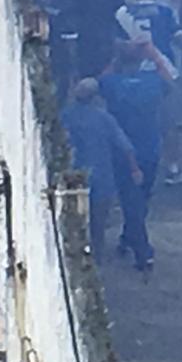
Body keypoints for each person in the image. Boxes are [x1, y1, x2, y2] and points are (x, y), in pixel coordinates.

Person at [101, 39, 176, 272]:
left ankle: (134, 241)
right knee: (141, 197)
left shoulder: (113, 84)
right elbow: (170, 81)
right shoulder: (152, 83)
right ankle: (138, 245)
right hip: (150, 149)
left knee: (130, 198)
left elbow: (99, 80)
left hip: (122, 151)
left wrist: (118, 57)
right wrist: (153, 55)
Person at [62, 77, 142, 256]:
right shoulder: (104, 119)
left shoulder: (66, 115)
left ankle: (76, 256)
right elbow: (125, 146)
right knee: (98, 224)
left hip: (73, 176)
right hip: (102, 178)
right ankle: (96, 258)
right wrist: (135, 169)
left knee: (75, 221)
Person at [63, 0, 125, 78]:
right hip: (105, 37)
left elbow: (67, 17)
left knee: (85, 73)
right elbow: (120, 14)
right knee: (105, 74)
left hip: (84, 38)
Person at [115, 0, 181, 65]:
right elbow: (177, 36)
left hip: (134, 67)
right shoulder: (165, 12)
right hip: (164, 65)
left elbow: (119, 41)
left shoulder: (122, 12)